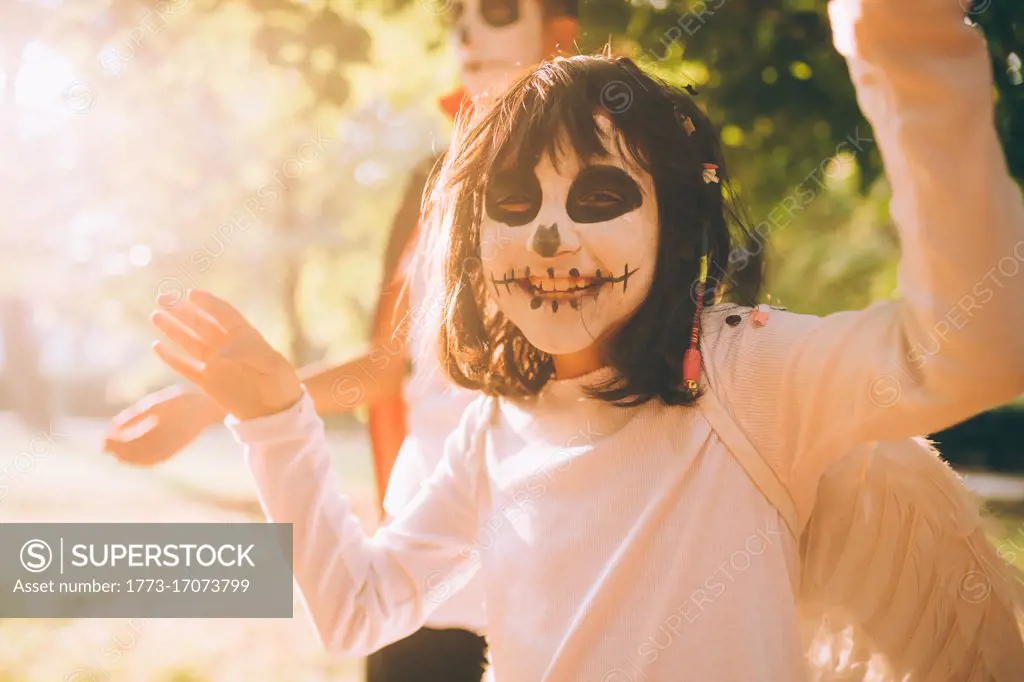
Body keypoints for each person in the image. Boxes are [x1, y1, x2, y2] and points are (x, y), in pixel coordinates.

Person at [142, 0, 1024, 679]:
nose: (551, 240)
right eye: (516, 209)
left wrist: (902, 49)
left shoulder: (751, 375)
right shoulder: (491, 434)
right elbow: (357, 609)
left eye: (599, 199)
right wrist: (274, 421)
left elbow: (972, 347)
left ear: (673, 225)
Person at [105, 1, 578, 679]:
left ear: (559, 31)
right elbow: (392, 367)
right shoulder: (431, 184)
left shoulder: (608, 181)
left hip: (546, 562)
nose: (469, 31)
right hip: (420, 551)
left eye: (499, 11)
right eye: (458, 14)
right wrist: (217, 405)